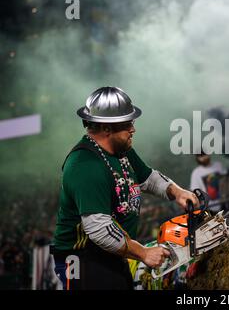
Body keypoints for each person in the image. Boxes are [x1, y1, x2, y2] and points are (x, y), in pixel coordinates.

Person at [51, 87, 198, 290]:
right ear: (107, 128)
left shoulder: (121, 150)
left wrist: (177, 192)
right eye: (127, 124)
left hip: (112, 252)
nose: (133, 129)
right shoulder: (84, 165)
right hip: (83, 257)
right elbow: (99, 229)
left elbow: (148, 178)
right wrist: (143, 253)